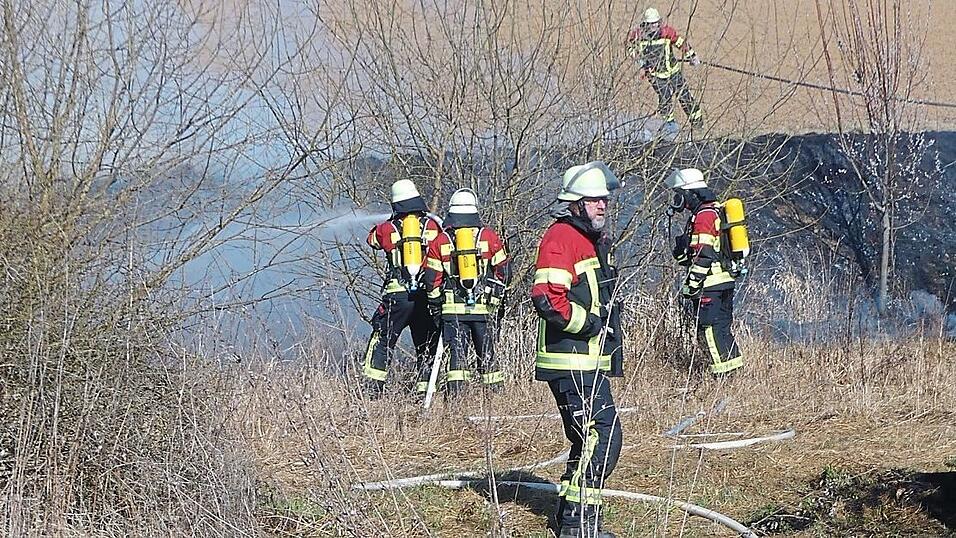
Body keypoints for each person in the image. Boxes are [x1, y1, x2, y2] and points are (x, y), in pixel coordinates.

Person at [531, 162, 624, 538]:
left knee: (589, 439)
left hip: (586, 359)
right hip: (571, 359)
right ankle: (577, 526)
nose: (602, 205)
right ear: (574, 203)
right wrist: (590, 325)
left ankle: (573, 520)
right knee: (603, 436)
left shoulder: (588, 240)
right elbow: (547, 298)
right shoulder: (562, 237)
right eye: (594, 199)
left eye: (604, 199)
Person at [421, 188, 511, 394]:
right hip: (483, 309)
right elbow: (504, 271)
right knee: (487, 355)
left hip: (453, 312)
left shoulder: (441, 241)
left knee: (457, 358)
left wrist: (436, 306)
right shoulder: (488, 236)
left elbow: (432, 280)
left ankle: (456, 399)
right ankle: (496, 397)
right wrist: (495, 299)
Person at [362, 179, 443, 396]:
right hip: (425, 297)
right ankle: (424, 393)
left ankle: (372, 391)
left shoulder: (387, 228)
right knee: (426, 345)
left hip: (398, 296)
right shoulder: (432, 226)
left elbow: (372, 240)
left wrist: (390, 221)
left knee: (382, 340)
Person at [665, 168, 743, 376]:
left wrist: (692, 284)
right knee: (722, 329)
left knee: (709, 331)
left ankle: (722, 377)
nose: (679, 201)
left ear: (690, 193)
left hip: (710, 285)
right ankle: (735, 376)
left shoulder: (704, 216)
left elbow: (704, 254)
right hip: (724, 281)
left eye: (680, 195)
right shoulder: (714, 211)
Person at [626, 7, 703, 131]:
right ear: (645, 24)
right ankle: (670, 126)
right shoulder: (639, 36)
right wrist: (640, 61)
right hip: (655, 75)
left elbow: (681, 43)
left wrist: (692, 56)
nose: (654, 26)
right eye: (651, 23)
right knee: (665, 97)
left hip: (673, 71)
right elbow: (630, 48)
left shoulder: (667, 33)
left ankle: (698, 124)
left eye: (656, 23)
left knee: (684, 96)